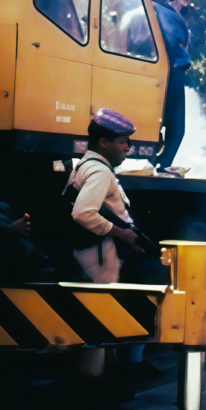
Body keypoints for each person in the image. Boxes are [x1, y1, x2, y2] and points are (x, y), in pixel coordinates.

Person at [65, 110, 142, 284]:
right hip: (100, 255)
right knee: (106, 302)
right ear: (103, 143)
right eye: (123, 142)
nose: (127, 147)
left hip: (95, 251)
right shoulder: (100, 171)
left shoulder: (87, 164)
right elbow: (83, 214)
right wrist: (122, 233)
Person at [147, 0, 190, 170]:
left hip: (145, 70)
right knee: (177, 125)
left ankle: (152, 158)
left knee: (149, 118)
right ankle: (162, 164)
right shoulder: (173, 15)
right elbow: (184, 41)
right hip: (174, 69)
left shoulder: (138, 12)